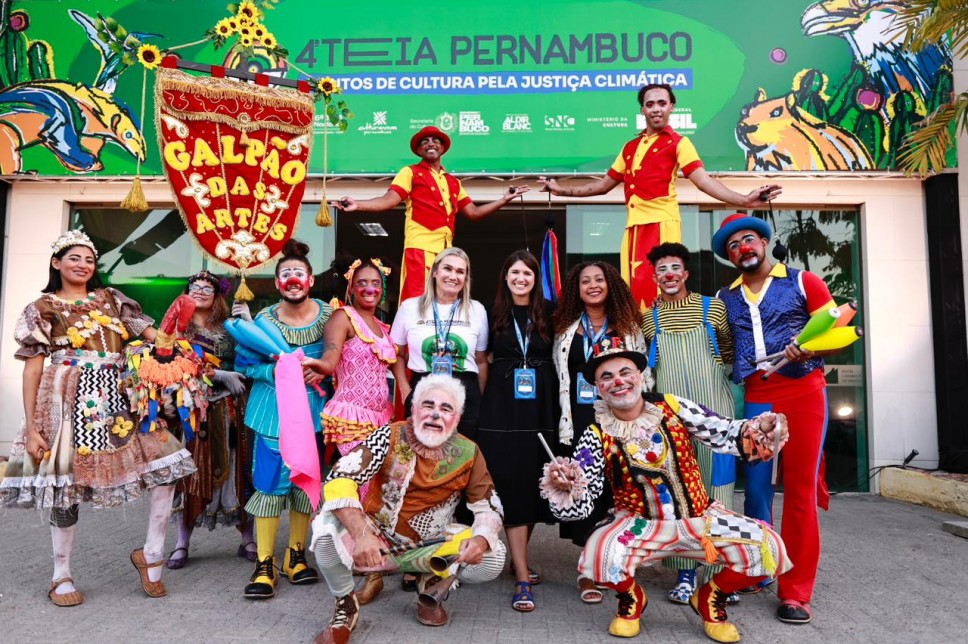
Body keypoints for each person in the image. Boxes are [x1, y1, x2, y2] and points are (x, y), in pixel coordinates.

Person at [542, 338, 791, 642]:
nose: (618, 381)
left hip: (699, 519)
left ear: (640, 376)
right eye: (607, 377)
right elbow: (583, 496)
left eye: (625, 372)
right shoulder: (595, 433)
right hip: (639, 526)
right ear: (598, 388)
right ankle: (631, 599)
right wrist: (566, 484)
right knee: (598, 553)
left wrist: (760, 429)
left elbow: (723, 430)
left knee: (768, 548)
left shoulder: (672, 406)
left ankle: (710, 598)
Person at [0, 230, 196, 604]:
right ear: (56, 263)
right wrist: (33, 427)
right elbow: (32, 369)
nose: (83, 265)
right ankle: (61, 575)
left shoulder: (112, 300)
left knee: (169, 465)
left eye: (89, 260)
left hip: (120, 396)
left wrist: (176, 332)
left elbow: (155, 337)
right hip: (65, 401)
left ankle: (152, 553)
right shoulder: (42, 308)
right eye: (74, 258)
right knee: (66, 488)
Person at [537, 83, 781, 311]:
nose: (656, 109)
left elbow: (703, 181)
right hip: (633, 228)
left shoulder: (679, 143)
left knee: (661, 290)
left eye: (662, 103)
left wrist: (743, 200)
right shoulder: (630, 147)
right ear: (642, 109)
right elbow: (602, 186)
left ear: (671, 107)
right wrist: (561, 190)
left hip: (661, 225)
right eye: (650, 104)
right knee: (632, 294)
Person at [309, 374, 506, 642]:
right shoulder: (388, 435)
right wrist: (361, 533)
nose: (435, 414)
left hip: (431, 546)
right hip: (376, 543)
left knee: (493, 556)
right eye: (428, 405)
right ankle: (346, 603)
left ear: (457, 418)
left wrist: (481, 541)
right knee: (324, 533)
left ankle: (432, 581)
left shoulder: (469, 452)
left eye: (446, 408)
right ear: (414, 409)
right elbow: (339, 478)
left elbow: (489, 507)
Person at [714, 213, 834, 624]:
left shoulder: (803, 281)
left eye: (748, 239)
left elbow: (836, 329)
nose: (742, 248)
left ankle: (796, 591)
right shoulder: (725, 296)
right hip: (757, 395)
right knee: (756, 491)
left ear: (764, 242)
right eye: (733, 246)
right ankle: (759, 568)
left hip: (804, 391)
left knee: (799, 490)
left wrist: (812, 348)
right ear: (730, 257)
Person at [640, 243, 739, 605]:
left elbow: (728, 354)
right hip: (672, 421)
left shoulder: (713, 309)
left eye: (674, 268)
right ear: (655, 277)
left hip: (717, 417)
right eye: (661, 269)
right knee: (680, 491)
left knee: (719, 491)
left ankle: (718, 574)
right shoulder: (648, 319)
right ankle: (685, 573)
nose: (668, 275)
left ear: (685, 273)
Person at [236, 239, 333, 600]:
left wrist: (323, 372)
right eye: (286, 274)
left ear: (311, 280)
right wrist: (276, 371)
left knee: (305, 485)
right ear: (278, 283)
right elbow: (245, 365)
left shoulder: (330, 317)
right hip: (272, 416)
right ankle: (264, 563)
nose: (293, 279)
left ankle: (296, 555)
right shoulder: (263, 321)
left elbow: (341, 358)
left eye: (299, 273)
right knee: (269, 485)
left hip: (313, 415)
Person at [334, 125, 531, 301]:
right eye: (425, 141)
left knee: (444, 300)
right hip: (419, 248)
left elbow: (474, 213)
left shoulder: (453, 182)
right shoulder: (410, 172)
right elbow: (388, 200)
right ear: (419, 150)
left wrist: (504, 199)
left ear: (442, 148)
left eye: (435, 140)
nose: (430, 144)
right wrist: (357, 205)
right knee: (416, 300)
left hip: (446, 252)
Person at [302, 258, 397, 604]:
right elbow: (331, 358)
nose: (370, 289)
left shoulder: (384, 327)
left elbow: (396, 368)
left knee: (377, 491)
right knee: (359, 488)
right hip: (350, 416)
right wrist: (321, 366)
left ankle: (370, 557)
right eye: (362, 283)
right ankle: (369, 570)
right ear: (351, 287)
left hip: (381, 418)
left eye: (376, 283)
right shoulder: (342, 317)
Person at [551, 261, 646, 604]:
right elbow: (559, 374)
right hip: (578, 419)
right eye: (585, 281)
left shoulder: (628, 325)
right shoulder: (565, 328)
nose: (592, 286)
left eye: (599, 280)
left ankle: (617, 561)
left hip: (618, 419)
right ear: (576, 290)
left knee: (618, 491)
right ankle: (588, 570)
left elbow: (643, 375)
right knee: (586, 489)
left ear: (611, 285)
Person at [476, 250, 558, 612]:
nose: (521, 278)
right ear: (505, 278)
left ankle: (517, 556)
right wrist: (480, 406)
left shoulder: (551, 313)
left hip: (540, 407)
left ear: (535, 278)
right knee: (509, 482)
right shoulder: (490, 312)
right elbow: (480, 359)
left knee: (534, 481)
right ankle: (522, 574)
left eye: (527, 273)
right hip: (501, 407)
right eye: (515, 273)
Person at [165, 271, 254, 569]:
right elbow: (171, 364)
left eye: (207, 288)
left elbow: (253, 356)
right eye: (195, 287)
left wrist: (249, 324)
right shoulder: (176, 328)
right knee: (192, 472)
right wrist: (218, 375)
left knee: (240, 469)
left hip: (232, 407)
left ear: (217, 297)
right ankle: (182, 543)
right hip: (193, 409)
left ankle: (248, 539)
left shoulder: (229, 327)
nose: (200, 291)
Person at [390, 247, 488, 440]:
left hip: (465, 392)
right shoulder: (409, 307)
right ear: (435, 272)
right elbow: (396, 354)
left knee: (462, 452)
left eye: (460, 271)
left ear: (466, 278)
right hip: (422, 388)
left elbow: (481, 360)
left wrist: (479, 398)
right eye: (447, 269)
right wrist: (405, 389)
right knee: (421, 451)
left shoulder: (476, 310)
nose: (453, 276)